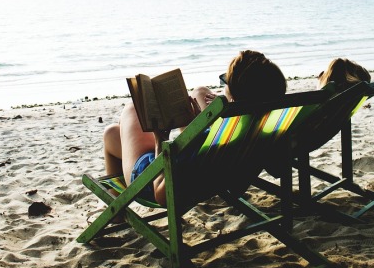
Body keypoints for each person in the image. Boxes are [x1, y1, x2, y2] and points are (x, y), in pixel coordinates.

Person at [102, 50, 287, 206]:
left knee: (129, 112)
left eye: (225, 81)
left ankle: (115, 206)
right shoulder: (267, 130)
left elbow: (162, 195)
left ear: (233, 97)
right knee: (113, 133)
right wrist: (197, 125)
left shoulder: (212, 139)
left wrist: (161, 140)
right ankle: (115, 199)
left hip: (150, 178)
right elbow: (278, 169)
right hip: (210, 176)